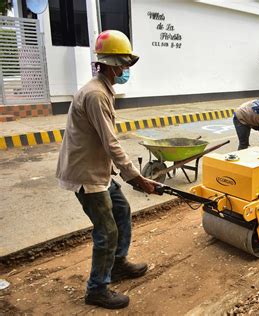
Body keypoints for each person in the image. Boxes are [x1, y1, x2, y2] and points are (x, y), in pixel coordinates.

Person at [56, 30, 159, 309]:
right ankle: (97, 289)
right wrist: (135, 176)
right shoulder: (96, 95)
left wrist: (127, 175)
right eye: (124, 64)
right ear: (113, 64)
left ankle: (117, 265)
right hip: (86, 176)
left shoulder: (102, 90)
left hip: (98, 172)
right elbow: (111, 142)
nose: (126, 69)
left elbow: (104, 142)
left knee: (122, 210)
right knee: (107, 230)